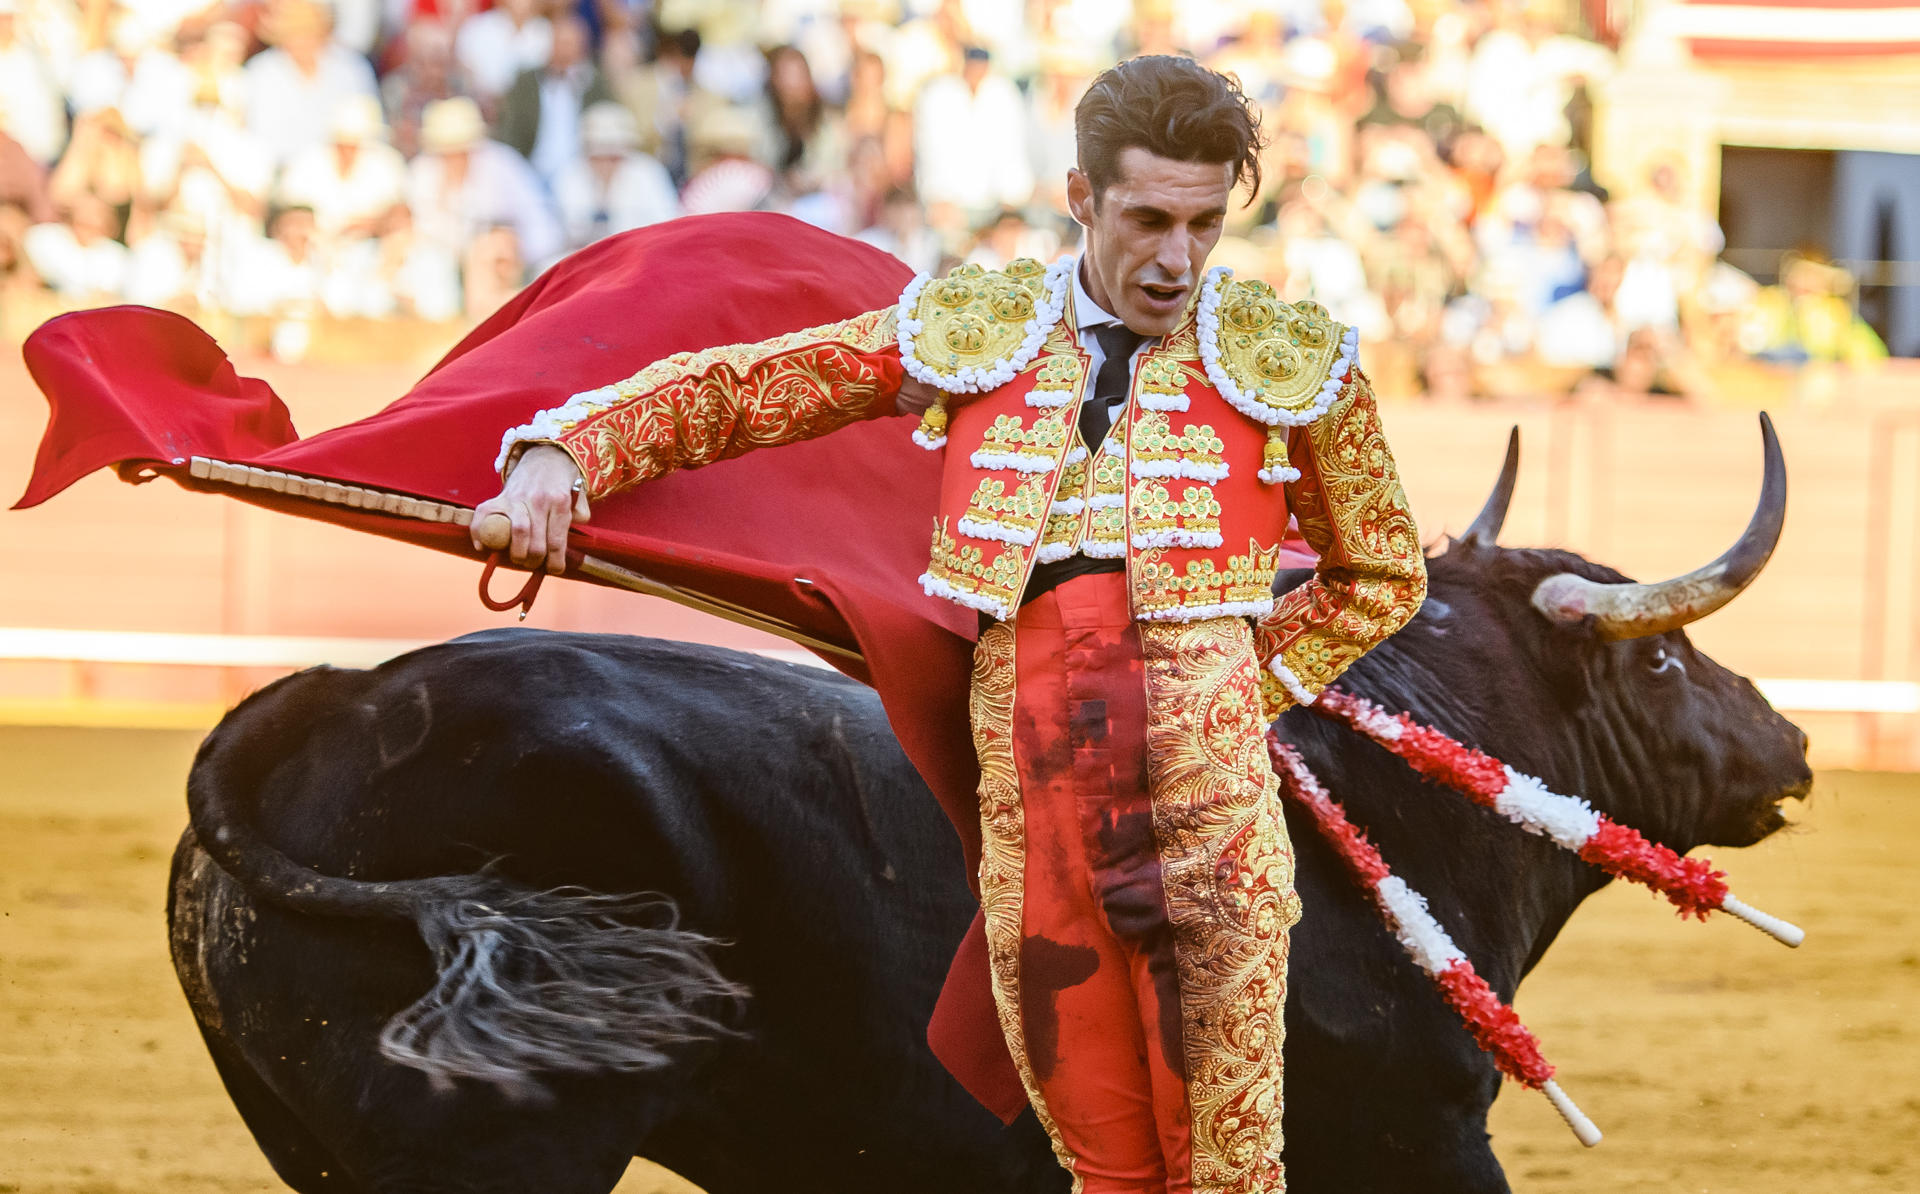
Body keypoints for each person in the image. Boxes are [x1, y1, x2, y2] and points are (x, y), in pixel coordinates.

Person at [473, 56, 1426, 1194]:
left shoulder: (1291, 359)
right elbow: (749, 388)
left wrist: (1229, 682)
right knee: (1107, 1163)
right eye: (1149, 220)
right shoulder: (985, 329)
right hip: (1042, 819)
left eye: (1206, 223)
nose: (1177, 259)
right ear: (1081, 195)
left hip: (1207, 828)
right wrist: (565, 453)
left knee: (1228, 1168)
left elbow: (1382, 571)